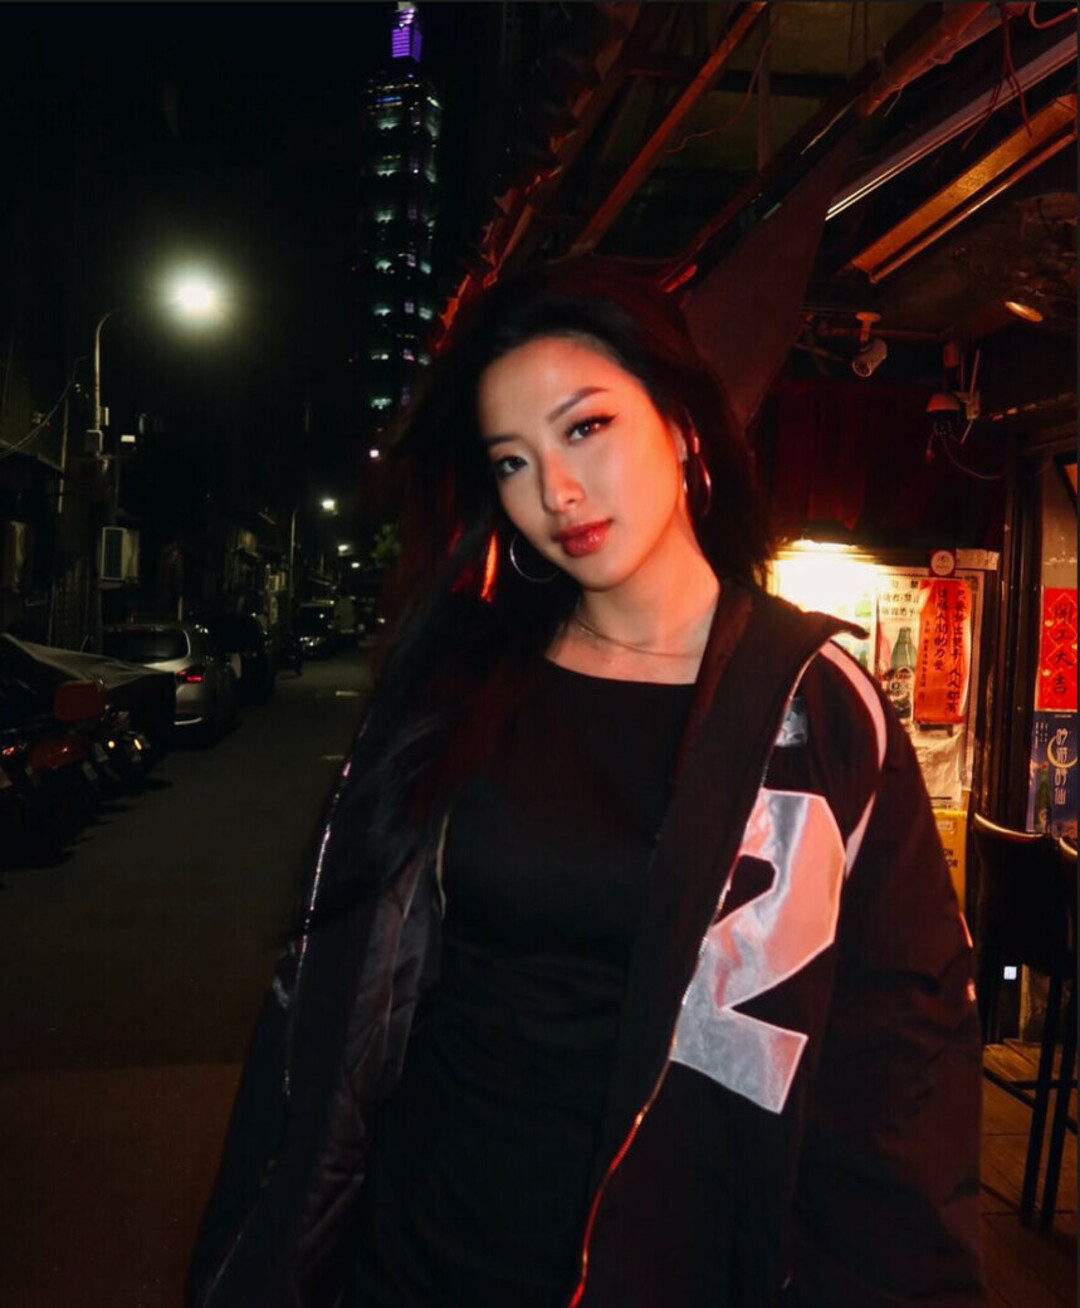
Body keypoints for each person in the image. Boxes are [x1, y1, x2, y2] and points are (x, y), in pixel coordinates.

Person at [187, 260, 986, 1307]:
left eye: (586, 427)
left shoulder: (815, 709)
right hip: (417, 1259)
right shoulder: (456, 684)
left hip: (677, 1268)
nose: (554, 493)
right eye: (512, 461)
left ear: (683, 423)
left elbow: (903, 1063)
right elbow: (334, 1010)